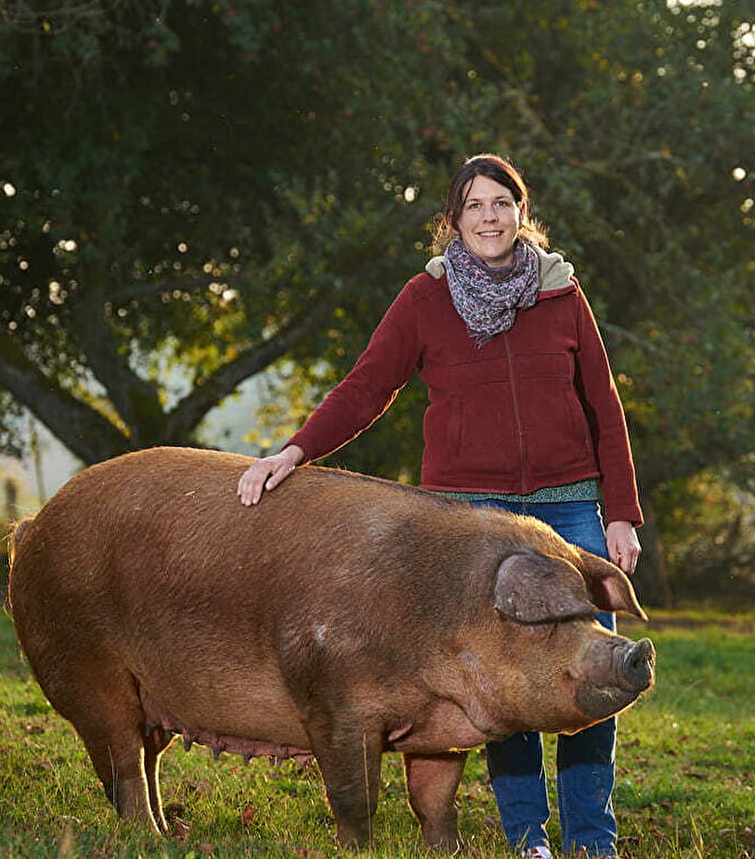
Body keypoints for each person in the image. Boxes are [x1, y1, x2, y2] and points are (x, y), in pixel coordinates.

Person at [237, 153, 642, 859]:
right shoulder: (424, 299)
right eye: (475, 206)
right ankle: (527, 840)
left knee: (588, 676)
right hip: (466, 517)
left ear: (521, 213)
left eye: (501, 203)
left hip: (569, 504)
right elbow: (367, 388)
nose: (489, 217)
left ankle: (591, 841)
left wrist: (620, 512)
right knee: (501, 682)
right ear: (453, 220)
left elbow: (602, 405)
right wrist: (293, 452)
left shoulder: (561, 294)